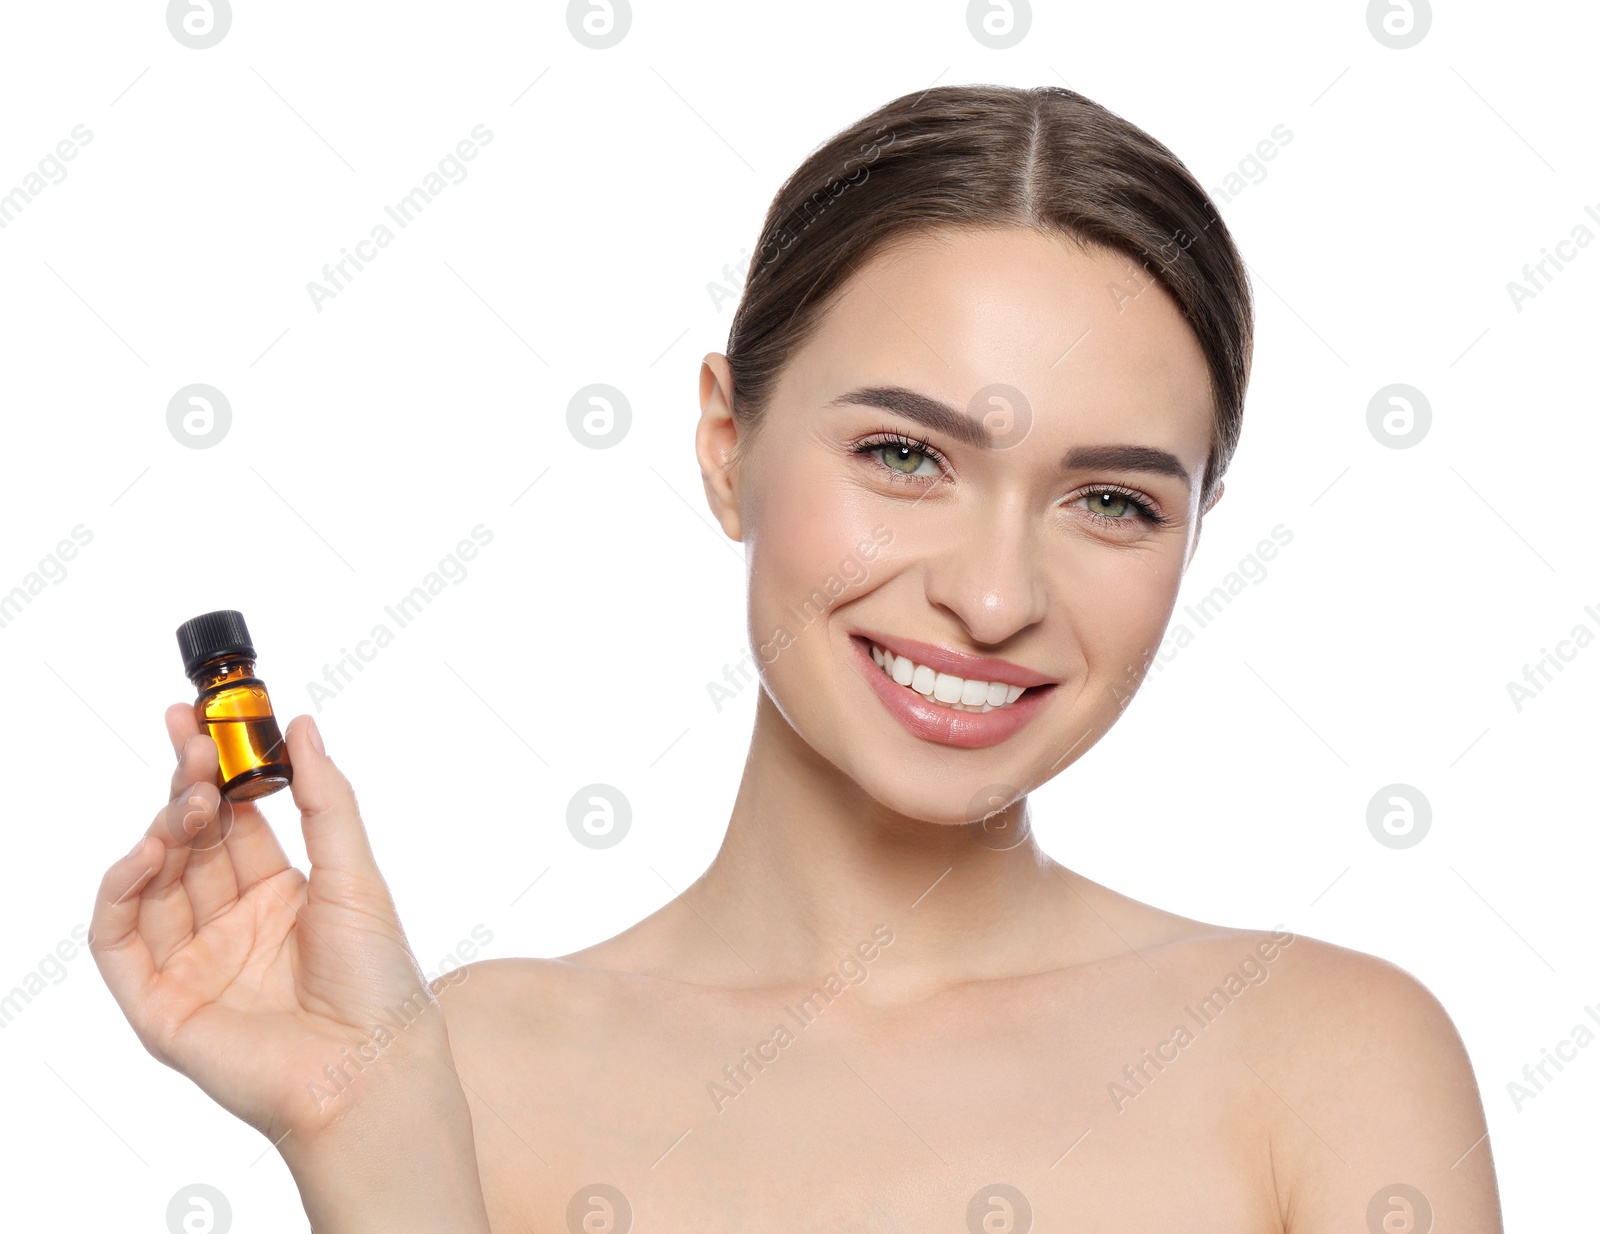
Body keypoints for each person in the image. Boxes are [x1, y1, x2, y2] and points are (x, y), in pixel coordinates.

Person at [92, 84, 1504, 1232]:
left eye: (1114, 500)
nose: (995, 594)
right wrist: (365, 1136)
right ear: (727, 445)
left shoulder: (1331, 1060)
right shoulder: (462, 1064)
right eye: (905, 454)